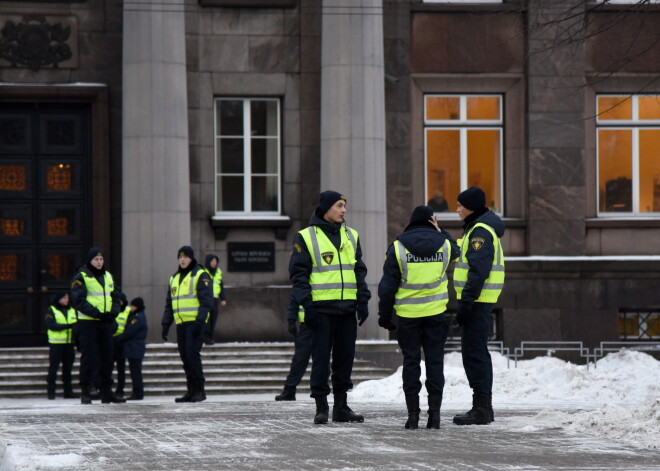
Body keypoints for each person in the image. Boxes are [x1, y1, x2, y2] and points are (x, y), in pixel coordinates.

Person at [289, 190, 371, 424]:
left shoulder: (351, 235)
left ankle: (342, 407)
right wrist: (308, 305)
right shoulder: (305, 236)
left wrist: (362, 301)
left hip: (347, 310)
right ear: (326, 208)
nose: (344, 210)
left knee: (345, 359)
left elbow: (359, 271)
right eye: (339, 205)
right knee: (321, 360)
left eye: (345, 205)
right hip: (320, 310)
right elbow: (299, 275)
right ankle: (321, 407)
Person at [377, 205, 459, 429]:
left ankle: (413, 416)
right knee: (435, 363)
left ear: (411, 222)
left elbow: (387, 287)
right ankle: (435, 416)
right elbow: (457, 250)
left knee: (411, 363)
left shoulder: (398, 248)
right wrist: (441, 231)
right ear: (431, 222)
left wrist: (384, 316)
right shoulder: (444, 245)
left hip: (408, 316)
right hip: (436, 314)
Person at [452, 186, 505, 425]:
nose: (457, 209)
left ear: (470, 207)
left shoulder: (480, 232)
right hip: (479, 301)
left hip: (477, 302)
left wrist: (466, 302)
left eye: (460, 205)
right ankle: (482, 407)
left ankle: (482, 409)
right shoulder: (477, 228)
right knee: (476, 353)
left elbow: (478, 272)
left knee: (474, 355)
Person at [71, 247, 125, 404]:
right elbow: (78, 301)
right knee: (89, 356)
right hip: (88, 323)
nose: (99, 262)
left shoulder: (108, 276)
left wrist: (113, 313)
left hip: (106, 322)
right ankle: (86, 390)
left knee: (108, 357)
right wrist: (97, 314)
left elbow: (116, 296)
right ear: (90, 260)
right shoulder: (81, 277)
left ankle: (106, 391)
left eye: (101, 259)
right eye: (96, 259)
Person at [162, 246, 214, 403]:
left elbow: (207, 301)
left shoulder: (200, 274)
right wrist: (166, 323)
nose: (182, 260)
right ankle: (191, 391)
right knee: (185, 357)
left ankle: (200, 390)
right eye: (180, 257)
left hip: (195, 323)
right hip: (181, 324)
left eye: (185, 257)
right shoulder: (174, 278)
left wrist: (200, 320)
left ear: (191, 258)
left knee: (192, 356)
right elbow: (169, 304)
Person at [274, 295, 312, 401]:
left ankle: (322, 392)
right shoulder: (302, 283)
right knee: (299, 360)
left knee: (322, 360)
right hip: (306, 326)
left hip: (322, 325)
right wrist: (291, 320)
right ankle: (289, 390)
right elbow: (295, 302)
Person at [44, 291, 79, 399]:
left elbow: (77, 325)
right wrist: (68, 326)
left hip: (69, 344)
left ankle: (68, 392)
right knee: (53, 368)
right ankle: (51, 392)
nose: (66, 300)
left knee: (68, 369)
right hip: (56, 343)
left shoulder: (72, 310)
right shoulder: (52, 310)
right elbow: (51, 325)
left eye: (67, 298)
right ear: (58, 299)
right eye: (64, 298)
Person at [116, 297, 148, 400]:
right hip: (134, 347)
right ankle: (137, 393)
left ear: (136, 306)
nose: (130, 307)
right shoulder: (137, 316)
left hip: (135, 348)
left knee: (135, 372)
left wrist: (118, 339)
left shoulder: (137, 317)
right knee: (135, 371)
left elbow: (130, 331)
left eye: (132, 305)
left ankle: (138, 394)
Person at [203, 254, 227, 345]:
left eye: (215, 261)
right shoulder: (203, 273)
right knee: (206, 319)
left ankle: (210, 337)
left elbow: (221, 286)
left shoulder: (218, 272)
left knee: (213, 318)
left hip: (215, 299)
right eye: (212, 261)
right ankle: (206, 338)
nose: (214, 263)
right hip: (205, 299)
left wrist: (223, 298)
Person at [112, 292, 130, 399]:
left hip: (122, 343)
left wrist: (122, 338)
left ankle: (120, 390)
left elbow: (129, 327)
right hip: (110, 340)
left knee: (121, 369)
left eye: (121, 301)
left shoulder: (128, 311)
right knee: (107, 367)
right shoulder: (112, 309)